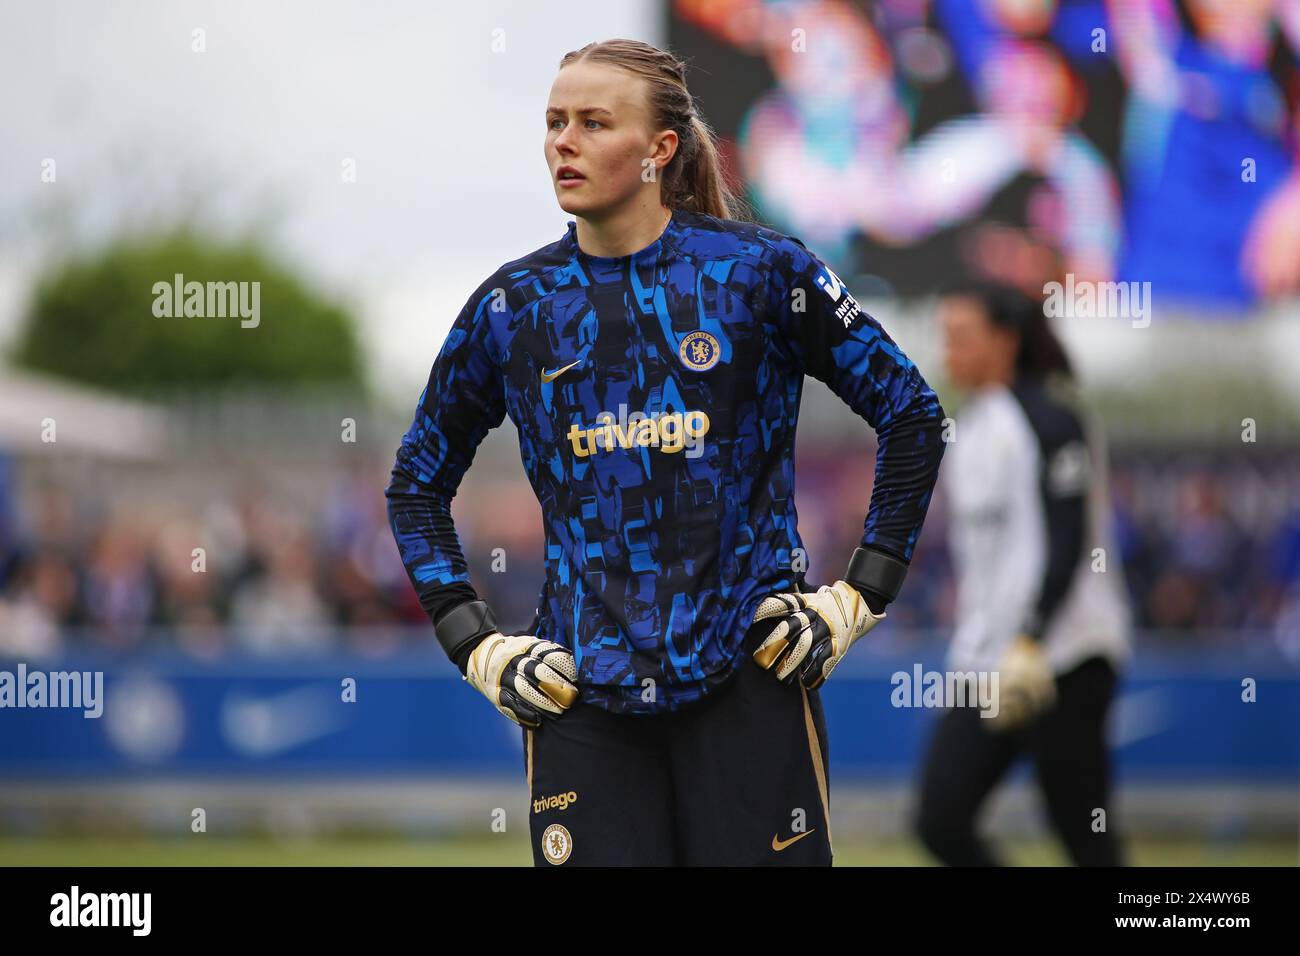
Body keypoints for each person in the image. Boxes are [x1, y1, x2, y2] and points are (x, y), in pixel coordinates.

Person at [385, 38, 946, 866]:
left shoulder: (760, 273)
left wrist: (859, 596)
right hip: (581, 704)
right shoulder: (513, 306)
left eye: (593, 122)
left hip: (752, 685)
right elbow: (415, 486)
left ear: (660, 149)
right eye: (553, 122)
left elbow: (913, 413)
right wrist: (475, 642)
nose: (563, 142)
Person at [915, 280, 1131, 866]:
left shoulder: (1052, 419)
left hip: (1064, 654)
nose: (949, 351)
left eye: (961, 337)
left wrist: (1031, 636)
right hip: (991, 662)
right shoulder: (972, 428)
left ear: (1005, 339)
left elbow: (1069, 542)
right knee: (940, 818)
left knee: (1082, 829)